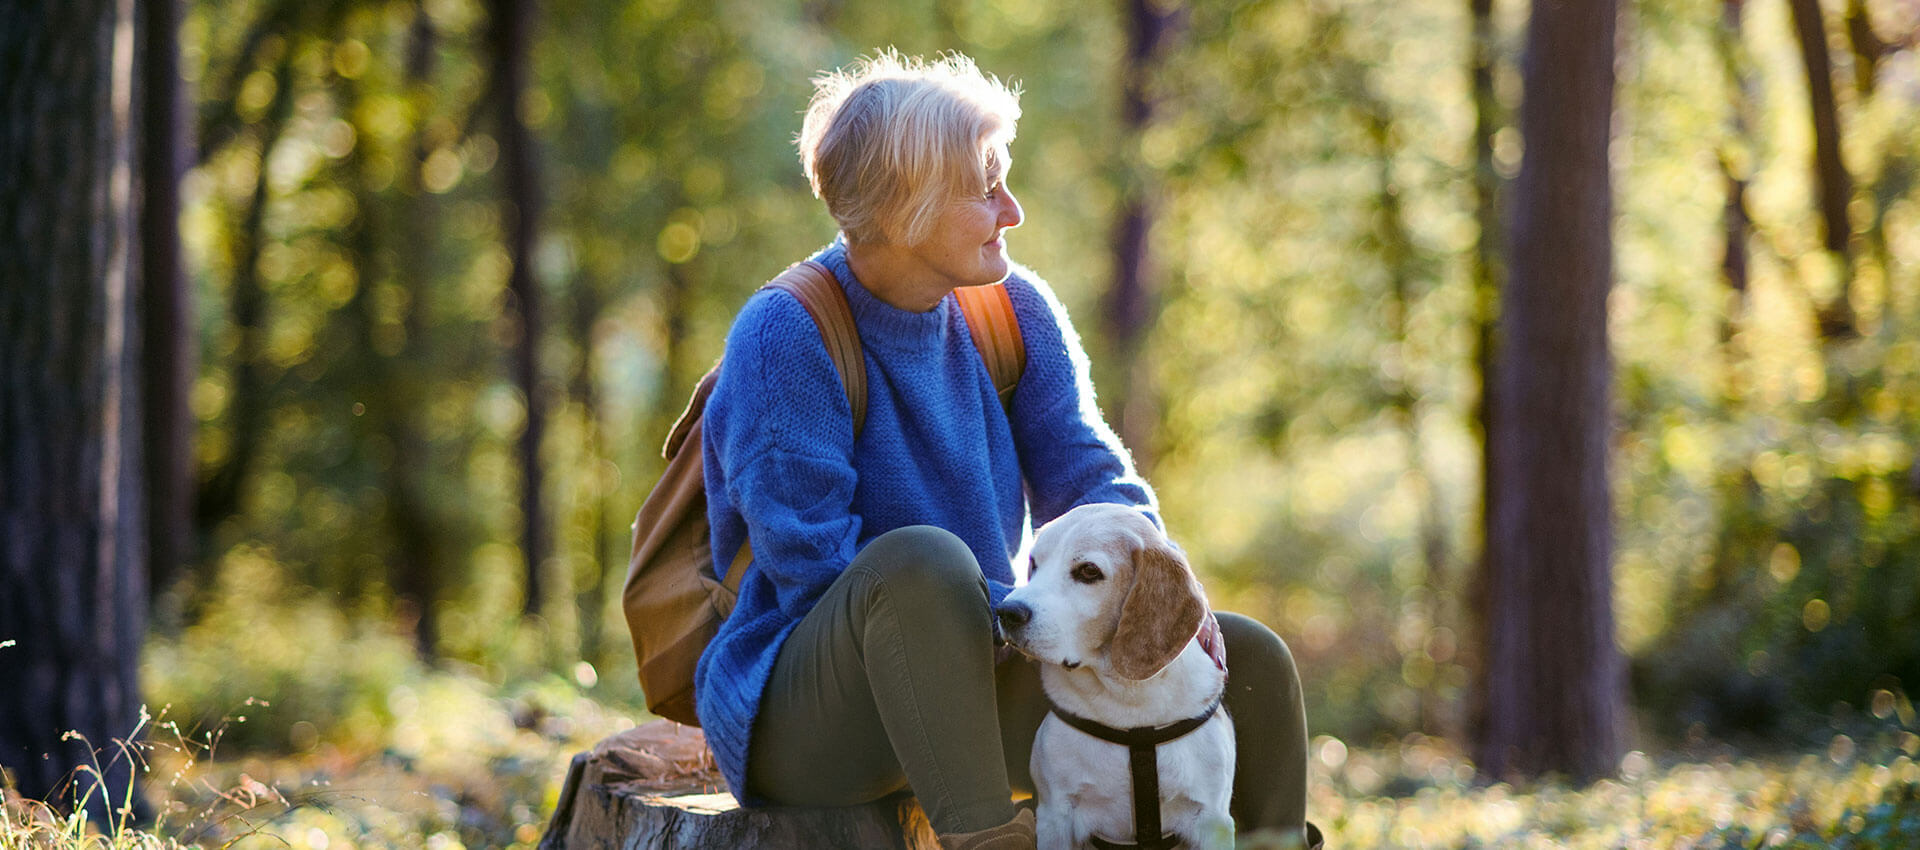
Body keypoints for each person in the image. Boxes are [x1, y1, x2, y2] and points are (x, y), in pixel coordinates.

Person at [691, 50, 1317, 850]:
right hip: (815, 718)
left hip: (985, 672)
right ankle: (987, 838)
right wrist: (1015, 611)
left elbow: (1095, 481)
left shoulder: (1014, 311)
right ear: (905, 203)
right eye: (986, 188)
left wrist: (1157, 593)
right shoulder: (788, 334)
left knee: (1247, 657)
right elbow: (812, 566)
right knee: (922, 564)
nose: (1013, 210)